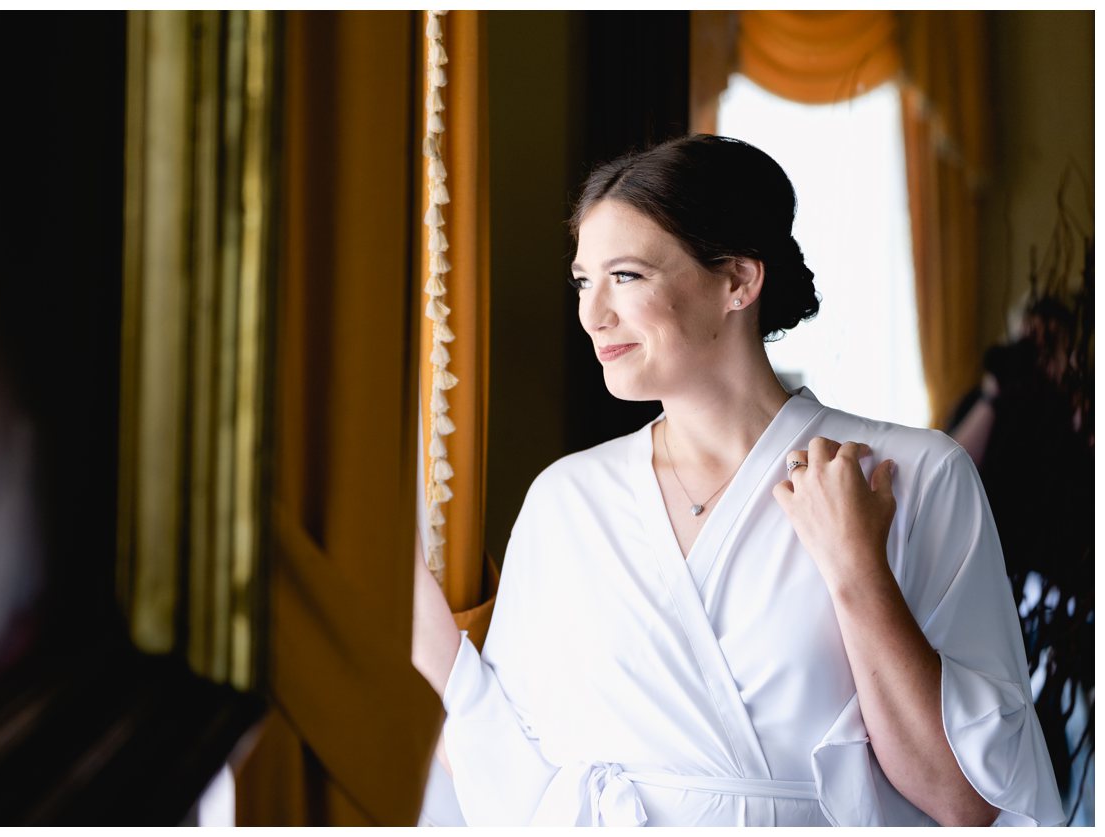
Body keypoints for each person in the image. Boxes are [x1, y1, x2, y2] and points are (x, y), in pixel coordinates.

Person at [411, 135, 1062, 826]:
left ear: (737, 282)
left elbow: (968, 801)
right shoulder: (565, 500)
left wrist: (855, 569)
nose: (593, 313)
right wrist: (435, 657)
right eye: (582, 280)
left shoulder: (915, 475)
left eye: (626, 276)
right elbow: (507, 768)